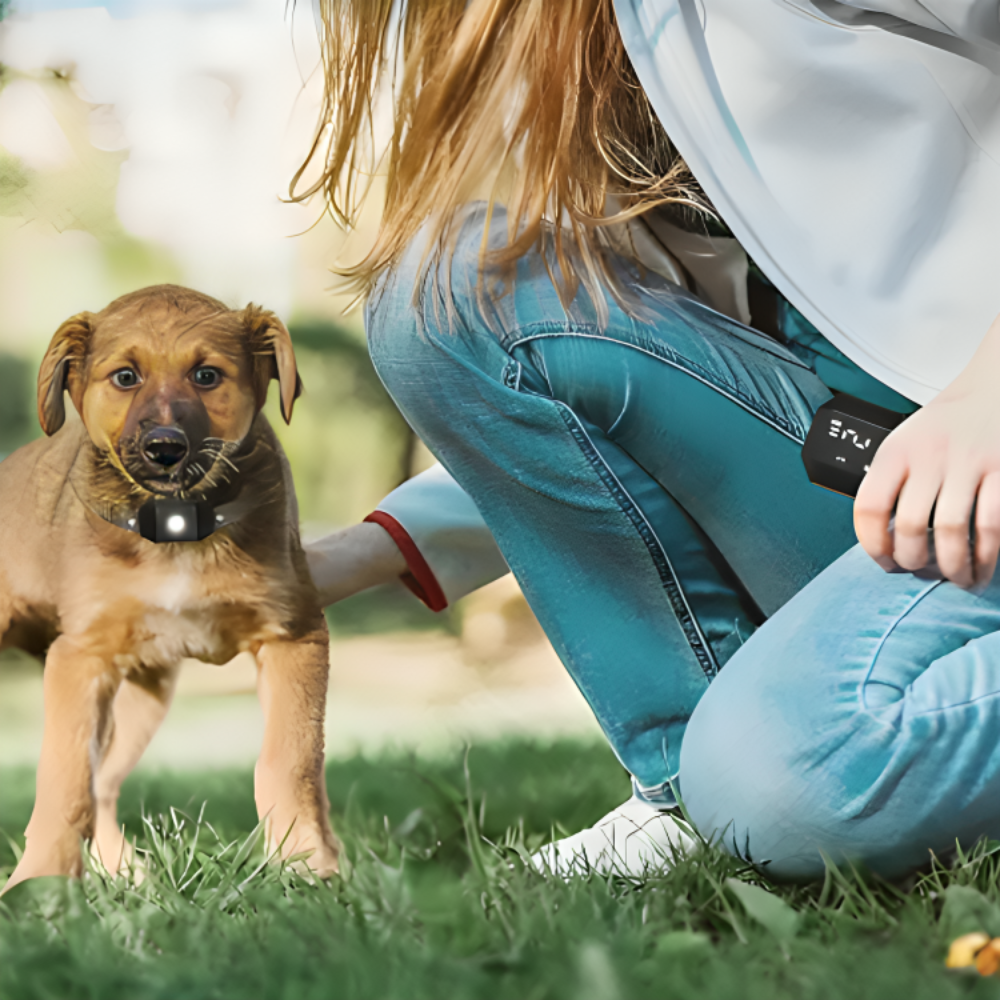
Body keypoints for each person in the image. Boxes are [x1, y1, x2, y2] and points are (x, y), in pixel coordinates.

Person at [299, 0, 1000, 881]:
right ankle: (682, 789)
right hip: (875, 467)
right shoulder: (595, 47)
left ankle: (748, 775)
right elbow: (613, 398)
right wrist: (345, 560)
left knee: (789, 779)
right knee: (448, 295)